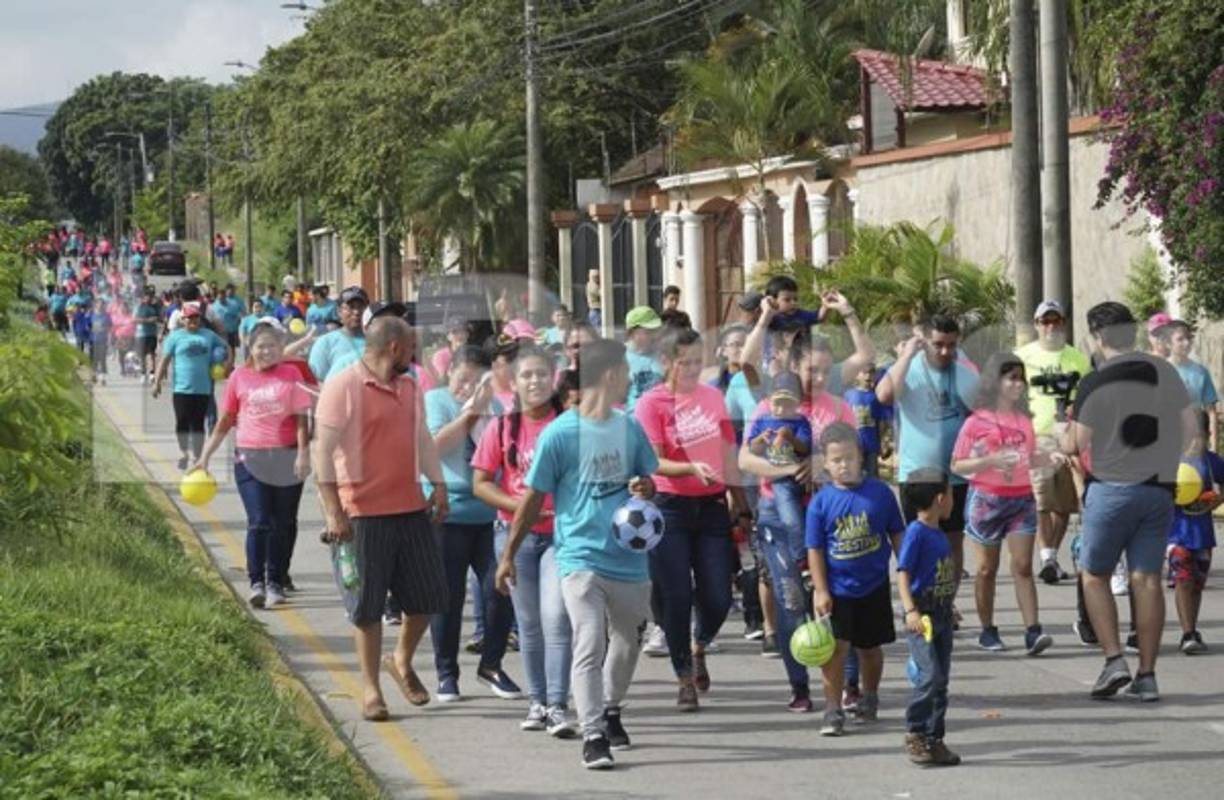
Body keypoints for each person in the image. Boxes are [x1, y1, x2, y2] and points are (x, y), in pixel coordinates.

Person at [496, 339, 659, 770]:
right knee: (589, 637)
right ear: (610, 376)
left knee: (627, 643)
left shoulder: (629, 428)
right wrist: (508, 554)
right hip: (579, 556)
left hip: (629, 557)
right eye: (624, 371)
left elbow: (648, 481)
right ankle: (593, 735)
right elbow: (532, 500)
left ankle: (611, 708)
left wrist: (645, 488)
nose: (629, 378)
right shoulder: (560, 433)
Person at [314, 316, 450, 721]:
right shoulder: (344, 386)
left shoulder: (410, 387)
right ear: (394, 348)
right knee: (368, 608)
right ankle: (371, 689)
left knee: (428, 598)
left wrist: (437, 484)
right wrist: (334, 511)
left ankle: (401, 660)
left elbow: (421, 437)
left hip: (410, 508)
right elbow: (323, 452)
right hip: (362, 514)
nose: (414, 355)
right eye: (411, 348)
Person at [1061, 301, 1195, 702]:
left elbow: (1075, 442)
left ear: (1097, 337)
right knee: (1148, 579)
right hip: (1158, 489)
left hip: (1111, 489)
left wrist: (1062, 431)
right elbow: (1190, 429)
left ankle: (1113, 659)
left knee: (1095, 574)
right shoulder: (1165, 372)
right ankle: (1148, 674)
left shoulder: (1095, 381)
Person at [635, 327, 746, 710]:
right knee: (677, 594)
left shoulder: (713, 396)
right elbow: (651, 461)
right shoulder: (651, 404)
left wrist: (740, 501)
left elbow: (729, 452)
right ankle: (684, 676)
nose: (695, 369)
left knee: (717, 594)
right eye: (686, 363)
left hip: (713, 506)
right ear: (667, 362)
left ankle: (699, 645)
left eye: (699, 361)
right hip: (669, 506)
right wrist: (687, 470)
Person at [472, 345, 573, 736]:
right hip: (515, 537)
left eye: (542, 375)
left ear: (555, 380)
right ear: (512, 383)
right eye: (527, 375)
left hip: (562, 537)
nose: (535, 382)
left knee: (557, 620)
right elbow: (480, 483)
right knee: (529, 625)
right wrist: (518, 505)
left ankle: (559, 706)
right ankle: (538, 702)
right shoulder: (503, 427)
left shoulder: (570, 426)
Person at [425, 344, 521, 702]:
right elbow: (433, 447)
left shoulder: (496, 408)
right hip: (448, 512)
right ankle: (446, 673)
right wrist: (469, 414)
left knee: (499, 587)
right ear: (449, 373)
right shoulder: (436, 401)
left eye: (475, 382)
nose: (467, 388)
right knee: (447, 595)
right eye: (462, 380)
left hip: (489, 515)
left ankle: (492, 664)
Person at [194, 319, 311, 608]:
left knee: (283, 523)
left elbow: (301, 419)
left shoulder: (291, 373)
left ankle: (275, 582)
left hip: (285, 456)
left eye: (272, 346)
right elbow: (225, 420)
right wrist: (204, 457)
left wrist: (303, 452)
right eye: (261, 346)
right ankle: (257, 581)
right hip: (250, 457)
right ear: (251, 347)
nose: (267, 351)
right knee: (259, 521)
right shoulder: (239, 377)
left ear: (280, 347)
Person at [950, 353, 1059, 654]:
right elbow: (958, 465)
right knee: (987, 569)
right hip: (986, 501)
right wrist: (990, 460)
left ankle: (1033, 631)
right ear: (995, 382)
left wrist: (1048, 458)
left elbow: (1029, 457)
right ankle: (987, 630)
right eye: (1011, 377)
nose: (1018, 384)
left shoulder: (1024, 421)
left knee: (1023, 566)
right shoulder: (975, 422)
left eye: (1021, 378)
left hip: (1022, 499)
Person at [806, 422, 905, 734]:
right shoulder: (821, 502)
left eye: (849, 458)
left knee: (870, 649)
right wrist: (821, 590)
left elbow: (897, 535)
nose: (843, 465)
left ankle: (870, 695)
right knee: (834, 650)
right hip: (838, 590)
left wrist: (908, 574)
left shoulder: (880, 494)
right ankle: (833, 709)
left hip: (873, 585)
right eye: (836, 460)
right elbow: (816, 549)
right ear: (825, 463)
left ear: (861, 457)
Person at [875, 315, 979, 590]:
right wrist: (906, 355)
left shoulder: (964, 372)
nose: (945, 351)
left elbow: (981, 412)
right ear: (925, 343)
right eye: (938, 344)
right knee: (919, 539)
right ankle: (921, 600)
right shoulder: (908, 368)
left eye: (951, 345)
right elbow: (884, 395)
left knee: (953, 540)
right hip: (917, 474)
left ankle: (946, 600)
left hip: (955, 475)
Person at [1016, 300, 1092, 585]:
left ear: (1063, 323)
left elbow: (1085, 398)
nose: (1050, 326)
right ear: (1036, 325)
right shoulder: (1022, 356)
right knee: (1041, 500)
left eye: (1055, 321)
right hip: (1038, 436)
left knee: (1065, 504)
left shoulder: (1078, 359)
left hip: (1070, 434)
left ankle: (1051, 557)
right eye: (1044, 321)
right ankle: (1047, 557)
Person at [896, 468, 962, 767]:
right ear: (939, 498)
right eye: (950, 495)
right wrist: (911, 610)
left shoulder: (937, 534)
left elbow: (938, 575)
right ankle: (916, 732)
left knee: (941, 681)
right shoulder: (916, 532)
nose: (952, 501)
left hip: (943, 613)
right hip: (922, 615)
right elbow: (903, 574)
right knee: (929, 676)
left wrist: (950, 603)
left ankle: (935, 739)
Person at [1168, 411, 1224, 654]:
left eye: (1197, 436)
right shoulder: (1170, 461)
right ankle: (1187, 633)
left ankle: (1193, 627)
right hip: (1175, 533)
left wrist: (1215, 500)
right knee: (1184, 581)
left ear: (1208, 435)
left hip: (1203, 534)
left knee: (1197, 584)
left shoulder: (1212, 462)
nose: (1192, 441)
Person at [153, 305, 231, 469]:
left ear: (200, 319)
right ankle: (184, 453)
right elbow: (164, 360)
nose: (193, 320)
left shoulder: (209, 336)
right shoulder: (175, 337)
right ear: (183, 320)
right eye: (190, 318)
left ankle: (197, 456)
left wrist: (227, 365)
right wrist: (157, 382)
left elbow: (227, 347)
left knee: (197, 425)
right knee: (181, 422)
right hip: (181, 389)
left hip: (203, 389)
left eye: (196, 317)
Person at [746, 371, 811, 541]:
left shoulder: (800, 421)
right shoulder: (762, 420)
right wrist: (761, 438)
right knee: (791, 520)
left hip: (795, 476)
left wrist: (791, 438)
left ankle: (801, 555)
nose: (782, 409)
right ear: (769, 400)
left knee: (793, 519)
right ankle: (801, 557)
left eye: (788, 405)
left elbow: (804, 448)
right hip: (776, 479)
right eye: (777, 404)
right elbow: (751, 448)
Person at [1158, 320, 1219, 451]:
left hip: (1196, 444)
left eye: (1188, 338)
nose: (1186, 343)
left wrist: (1214, 447)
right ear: (1168, 343)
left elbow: (1211, 413)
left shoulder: (1201, 372)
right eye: (1180, 339)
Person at [309, 286, 369, 382]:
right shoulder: (325, 343)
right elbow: (317, 382)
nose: (357, 312)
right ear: (339, 312)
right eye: (351, 307)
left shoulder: (378, 342)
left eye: (361, 307)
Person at [844, 362, 892, 478]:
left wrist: (882, 442)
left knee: (871, 477)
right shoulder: (848, 395)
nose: (868, 376)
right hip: (853, 446)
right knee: (853, 477)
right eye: (864, 373)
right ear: (856, 375)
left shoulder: (876, 397)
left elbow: (881, 423)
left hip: (871, 446)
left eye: (871, 373)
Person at [624, 306, 664, 412]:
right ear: (632, 333)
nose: (654, 336)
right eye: (648, 332)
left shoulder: (664, 355)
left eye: (655, 331)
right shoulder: (619, 357)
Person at [88, 302, 112, 385]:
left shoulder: (107, 316)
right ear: (95, 306)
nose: (100, 306)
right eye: (98, 305)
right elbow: (88, 326)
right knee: (94, 359)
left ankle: (103, 378)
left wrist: (109, 339)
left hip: (103, 340)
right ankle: (94, 375)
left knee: (102, 359)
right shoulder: (92, 315)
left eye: (102, 305)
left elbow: (110, 327)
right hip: (94, 340)